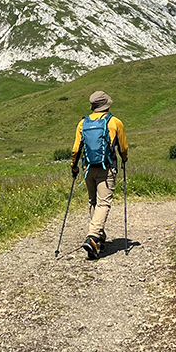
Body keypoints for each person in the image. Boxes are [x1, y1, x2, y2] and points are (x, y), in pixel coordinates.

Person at [70, 90, 128, 260]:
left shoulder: (83, 123)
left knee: (93, 201)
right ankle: (93, 237)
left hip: (88, 168)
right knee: (104, 203)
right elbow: (123, 148)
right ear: (106, 104)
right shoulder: (115, 122)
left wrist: (74, 167)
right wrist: (124, 159)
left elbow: (75, 149)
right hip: (107, 168)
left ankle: (99, 239)